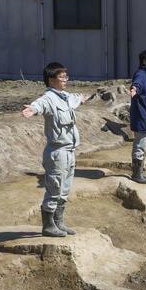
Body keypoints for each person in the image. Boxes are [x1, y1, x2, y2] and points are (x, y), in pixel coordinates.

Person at [21, 62, 87, 237]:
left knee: (65, 189)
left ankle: (59, 222)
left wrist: (81, 98)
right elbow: (39, 104)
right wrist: (32, 109)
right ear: (51, 80)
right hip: (57, 152)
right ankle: (48, 226)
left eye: (66, 76)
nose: (66, 79)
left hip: (70, 150)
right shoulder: (48, 98)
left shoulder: (64, 96)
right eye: (62, 77)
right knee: (54, 188)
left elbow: (74, 99)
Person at [128, 49, 146, 184]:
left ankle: (139, 172)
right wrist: (134, 89)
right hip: (141, 115)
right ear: (144, 62)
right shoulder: (141, 75)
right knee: (140, 145)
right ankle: (136, 174)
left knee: (142, 144)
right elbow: (137, 85)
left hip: (144, 115)